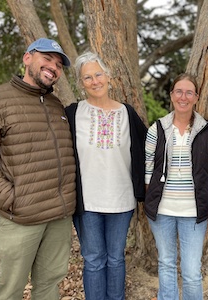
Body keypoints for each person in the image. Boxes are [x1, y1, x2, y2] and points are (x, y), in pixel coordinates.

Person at [0, 38, 76, 300]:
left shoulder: (56, 106)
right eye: (47, 58)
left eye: (58, 64)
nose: (53, 67)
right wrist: (12, 199)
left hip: (58, 218)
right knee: (9, 291)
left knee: (49, 286)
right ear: (27, 58)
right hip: (19, 219)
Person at [65, 51, 147, 300]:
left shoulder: (127, 113)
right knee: (93, 260)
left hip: (121, 200)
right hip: (87, 202)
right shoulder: (72, 113)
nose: (95, 81)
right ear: (81, 84)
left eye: (98, 74)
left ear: (108, 76)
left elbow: (149, 150)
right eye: (87, 77)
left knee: (115, 258)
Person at [144, 73, 208, 300]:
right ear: (171, 95)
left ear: (196, 97)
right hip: (162, 211)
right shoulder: (157, 129)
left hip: (195, 212)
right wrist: (152, 200)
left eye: (189, 92)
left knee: (192, 271)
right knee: (166, 263)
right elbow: (148, 169)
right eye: (178, 91)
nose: (183, 97)